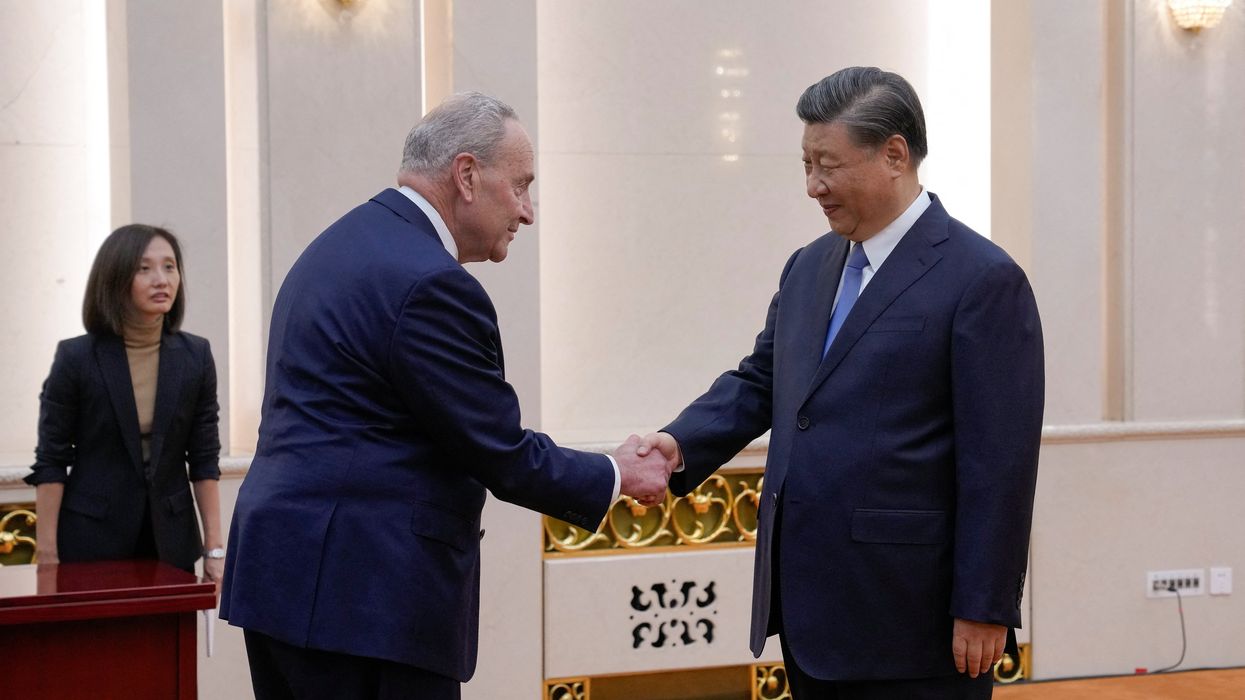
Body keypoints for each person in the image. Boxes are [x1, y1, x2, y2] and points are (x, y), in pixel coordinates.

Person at [220, 92, 670, 700]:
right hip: (366, 600)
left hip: (288, 583)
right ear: (466, 175)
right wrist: (613, 473)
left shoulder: (339, 244)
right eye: (521, 186)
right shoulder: (432, 283)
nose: (528, 212)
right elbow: (497, 449)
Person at [637, 67, 1044, 699]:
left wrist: (985, 604)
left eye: (827, 165)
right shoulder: (808, 266)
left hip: (916, 619)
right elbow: (763, 380)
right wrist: (680, 442)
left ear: (894, 155)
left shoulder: (982, 280)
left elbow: (1001, 462)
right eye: (804, 165)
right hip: (807, 609)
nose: (812, 186)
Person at [27, 224, 224, 587]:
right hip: (91, 541)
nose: (161, 279)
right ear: (116, 277)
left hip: (171, 541)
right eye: (144, 268)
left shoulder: (196, 356)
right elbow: (52, 461)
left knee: (170, 643)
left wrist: (214, 549)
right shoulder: (77, 358)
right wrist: (48, 555)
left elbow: (204, 458)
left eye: (169, 266)